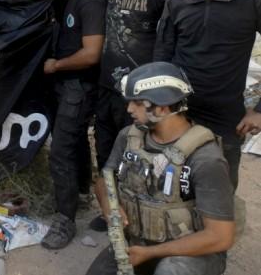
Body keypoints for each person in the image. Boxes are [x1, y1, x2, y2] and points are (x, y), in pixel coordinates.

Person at [87, 62, 235, 275]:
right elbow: (104, 179)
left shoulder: (205, 159)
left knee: (170, 270)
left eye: (137, 103)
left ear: (163, 108)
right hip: (140, 242)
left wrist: (150, 253)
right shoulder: (129, 137)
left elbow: (220, 237)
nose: (129, 109)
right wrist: (109, 206)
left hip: (190, 253)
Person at [154, 0, 261, 190]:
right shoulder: (176, 1)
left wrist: (259, 110)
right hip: (179, 110)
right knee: (172, 184)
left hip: (225, 116)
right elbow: (162, 56)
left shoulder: (251, 0)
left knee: (219, 187)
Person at [89, 0, 175, 232]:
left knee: (139, 156)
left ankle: (141, 220)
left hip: (142, 95)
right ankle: (112, 211)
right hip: (108, 88)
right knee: (106, 152)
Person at [41, 0, 106, 250]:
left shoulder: (91, 0)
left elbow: (92, 54)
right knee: (76, 141)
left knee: (61, 151)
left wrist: (56, 65)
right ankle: (81, 192)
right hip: (69, 84)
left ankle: (64, 219)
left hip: (79, 85)